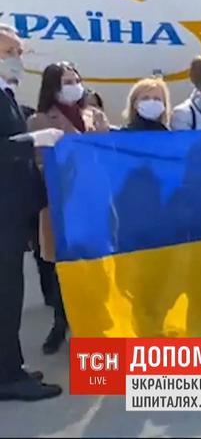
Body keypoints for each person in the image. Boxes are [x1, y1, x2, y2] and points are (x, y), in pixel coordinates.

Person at [27, 61, 110, 354]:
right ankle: (61, 323)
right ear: (52, 87)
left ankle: (96, 322)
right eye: (67, 82)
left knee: (95, 266)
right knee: (62, 270)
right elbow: (38, 163)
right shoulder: (39, 121)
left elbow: (108, 152)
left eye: (76, 80)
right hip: (60, 205)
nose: (75, 86)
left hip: (94, 203)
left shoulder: (95, 115)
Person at [0, 23, 63, 401]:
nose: (17, 59)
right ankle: (8, 378)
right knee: (6, 297)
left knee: (10, 297)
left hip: (13, 213)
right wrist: (33, 139)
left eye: (19, 52)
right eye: (9, 52)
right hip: (3, 217)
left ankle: (11, 365)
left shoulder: (6, 95)